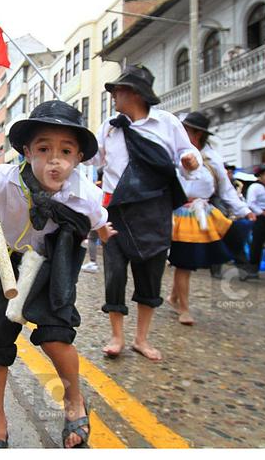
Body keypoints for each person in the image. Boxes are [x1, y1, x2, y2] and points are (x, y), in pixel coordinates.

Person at [0, 100, 114, 448]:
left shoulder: (84, 193)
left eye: (66, 150)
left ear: (79, 157)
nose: (54, 159)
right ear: (25, 150)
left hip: (54, 269)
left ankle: (74, 401)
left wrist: (106, 232)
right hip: (12, 267)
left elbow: (97, 219)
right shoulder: (1, 179)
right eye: (43, 148)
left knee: (56, 337)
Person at [90, 65, 201, 361]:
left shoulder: (167, 123)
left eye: (118, 90)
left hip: (154, 207)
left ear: (134, 94)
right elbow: (95, 159)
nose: (113, 95)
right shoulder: (109, 126)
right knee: (114, 273)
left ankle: (141, 338)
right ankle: (117, 336)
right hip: (116, 208)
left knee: (150, 273)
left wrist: (190, 160)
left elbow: (186, 152)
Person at [168, 112, 246, 325]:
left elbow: (225, 188)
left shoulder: (213, 159)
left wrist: (244, 210)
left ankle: (175, 297)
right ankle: (183, 307)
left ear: (198, 133)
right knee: (184, 262)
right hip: (179, 212)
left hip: (203, 212)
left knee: (188, 261)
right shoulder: (173, 154)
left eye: (186, 130)